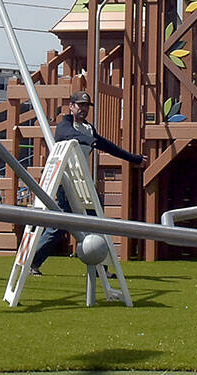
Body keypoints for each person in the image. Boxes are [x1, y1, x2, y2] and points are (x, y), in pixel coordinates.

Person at [30, 91, 144, 274]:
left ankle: (102, 268)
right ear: (71, 106)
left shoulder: (88, 128)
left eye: (86, 106)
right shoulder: (65, 125)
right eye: (80, 105)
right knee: (60, 226)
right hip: (65, 184)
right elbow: (69, 135)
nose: (83, 109)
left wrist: (133, 158)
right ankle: (33, 262)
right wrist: (91, 141)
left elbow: (107, 146)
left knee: (97, 224)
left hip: (83, 183)